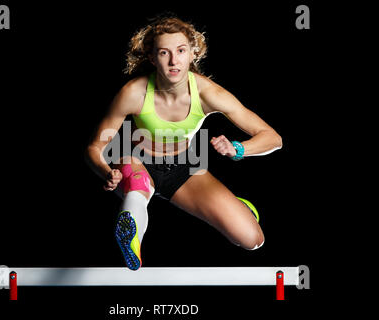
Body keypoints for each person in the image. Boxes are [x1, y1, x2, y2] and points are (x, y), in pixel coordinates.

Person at [85, 16, 282, 270]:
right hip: (135, 156)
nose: (173, 61)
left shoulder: (208, 93)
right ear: (153, 58)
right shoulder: (134, 92)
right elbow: (94, 147)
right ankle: (132, 243)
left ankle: (237, 207)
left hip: (185, 165)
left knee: (252, 239)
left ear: (193, 54)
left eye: (180, 51)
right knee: (137, 186)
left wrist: (239, 149)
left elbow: (272, 138)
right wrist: (105, 171)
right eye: (164, 53)